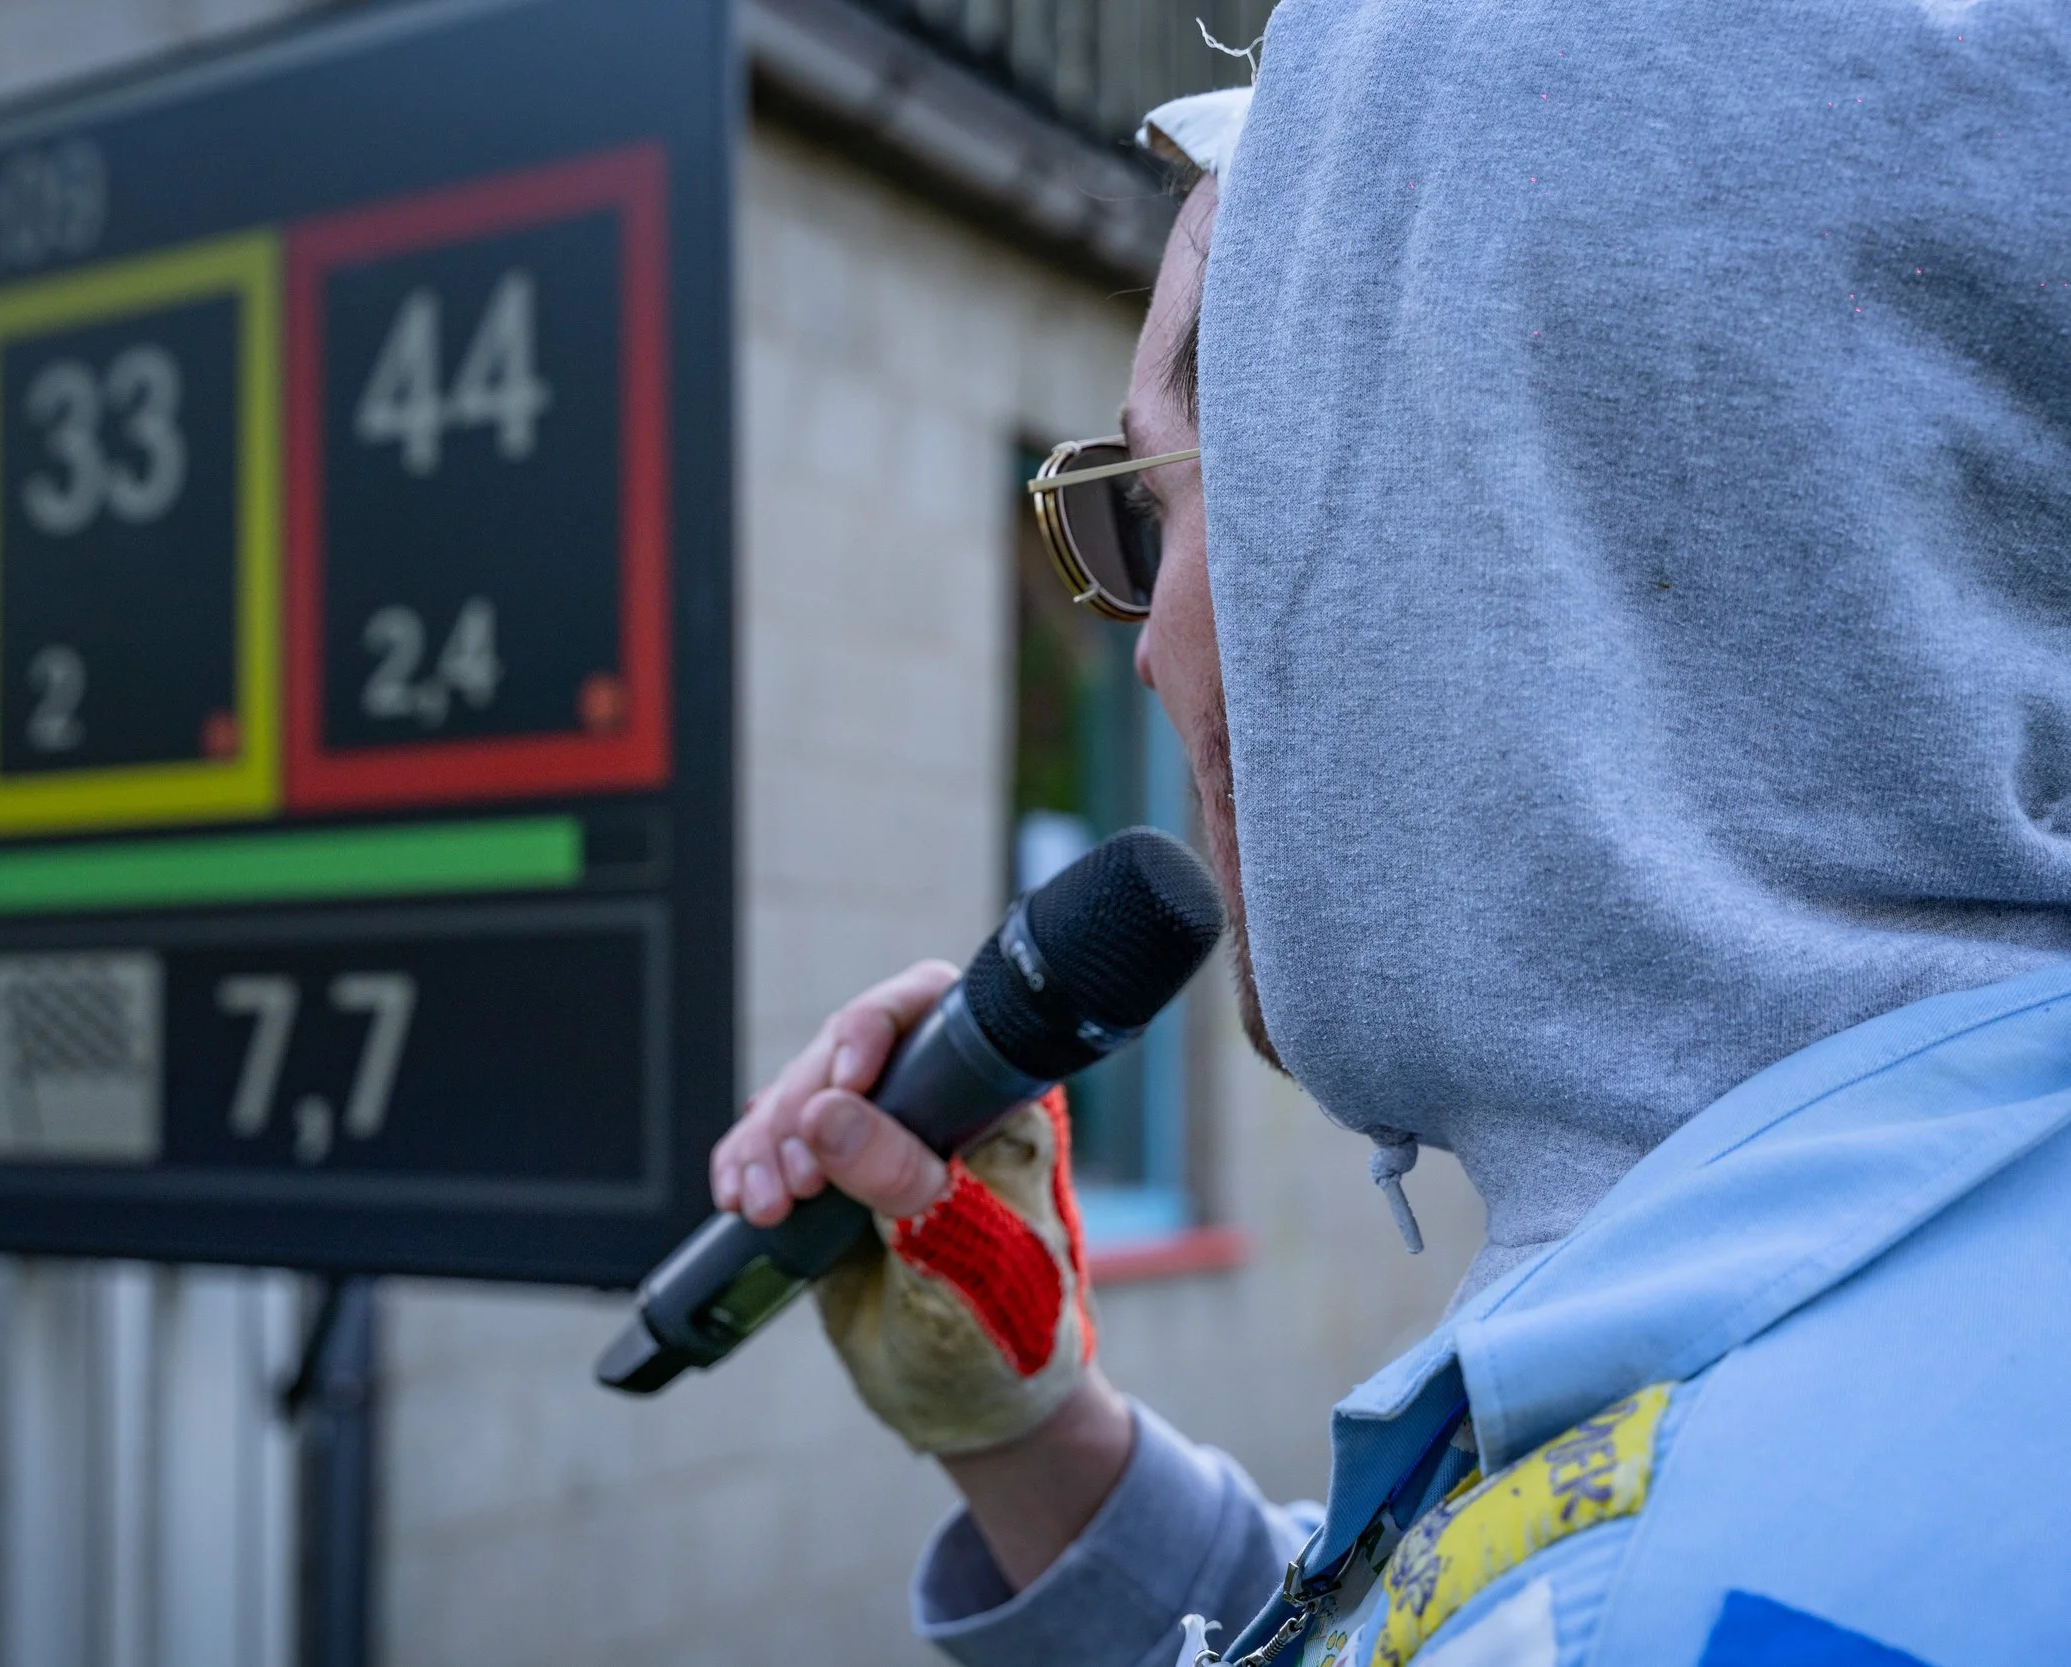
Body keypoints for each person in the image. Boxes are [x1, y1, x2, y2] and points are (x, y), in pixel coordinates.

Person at [713, 3, 2071, 1662]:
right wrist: (1037, 1441)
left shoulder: (1644, 1605)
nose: (1144, 650)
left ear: (1445, 518)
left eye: (1164, 504)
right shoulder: (1875, 1308)